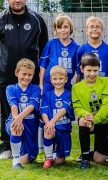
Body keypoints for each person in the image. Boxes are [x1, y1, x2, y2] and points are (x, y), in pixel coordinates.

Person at [0, 0, 48, 160]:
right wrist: (5, 64)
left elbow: (43, 46)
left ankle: (33, 146)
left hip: (32, 77)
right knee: (7, 111)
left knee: (32, 111)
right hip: (7, 76)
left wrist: (36, 72)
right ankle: (6, 146)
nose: (17, 0)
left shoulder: (37, 20)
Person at [38, 14, 79, 161]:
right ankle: (44, 149)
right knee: (46, 115)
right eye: (59, 27)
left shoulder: (77, 48)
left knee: (62, 116)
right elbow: (43, 65)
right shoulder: (51, 44)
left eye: (66, 27)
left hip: (65, 86)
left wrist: (77, 86)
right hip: (50, 85)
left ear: (70, 29)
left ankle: (59, 149)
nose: (63, 30)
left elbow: (79, 71)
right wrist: (41, 83)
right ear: (55, 30)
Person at [75, 16, 108, 162]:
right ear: (86, 30)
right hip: (87, 92)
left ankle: (105, 150)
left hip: (103, 91)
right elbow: (78, 74)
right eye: (91, 26)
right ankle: (85, 153)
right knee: (84, 121)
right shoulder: (81, 50)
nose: (94, 29)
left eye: (97, 26)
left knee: (105, 122)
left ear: (102, 30)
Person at [72, 53, 108, 169]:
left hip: (104, 122)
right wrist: (86, 115)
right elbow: (77, 107)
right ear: (82, 69)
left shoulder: (106, 81)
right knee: (82, 121)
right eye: (89, 70)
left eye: (95, 70)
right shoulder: (76, 87)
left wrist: (95, 119)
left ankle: (96, 152)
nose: (92, 74)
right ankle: (85, 159)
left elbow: (107, 104)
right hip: (89, 121)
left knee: (99, 160)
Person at [5, 58, 41, 169]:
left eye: (29, 75)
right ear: (16, 73)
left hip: (31, 126)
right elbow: (14, 105)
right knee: (16, 127)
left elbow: (31, 106)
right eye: (24, 74)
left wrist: (20, 117)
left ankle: (20, 152)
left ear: (33, 74)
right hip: (15, 120)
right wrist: (16, 119)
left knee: (26, 159)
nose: (26, 77)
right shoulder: (10, 88)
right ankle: (15, 162)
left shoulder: (36, 89)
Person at [40, 65, 75, 169]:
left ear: (66, 79)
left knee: (60, 162)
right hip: (52, 127)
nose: (58, 81)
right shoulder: (47, 94)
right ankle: (49, 158)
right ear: (50, 80)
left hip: (64, 128)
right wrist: (48, 124)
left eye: (61, 78)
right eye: (55, 79)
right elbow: (44, 112)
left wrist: (52, 122)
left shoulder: (69, 94)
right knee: (47, 131)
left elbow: (64, 110)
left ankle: (57, 155)